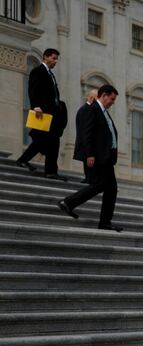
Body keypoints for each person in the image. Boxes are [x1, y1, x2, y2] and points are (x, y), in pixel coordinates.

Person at [57, 85, 121, 231]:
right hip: (98, 157)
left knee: (110, 189)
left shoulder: (104, 111)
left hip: (106, 157)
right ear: (103, 95)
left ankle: (105, 222)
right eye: (111, 99)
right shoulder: (92, 109)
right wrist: (89, 154)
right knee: (100, 185)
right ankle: (68, 202)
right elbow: (87, 134)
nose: (113, 102)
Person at [16, 48, 68, 180]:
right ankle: (49, 170)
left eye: (56, 59)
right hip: (43, 112)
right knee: (45, 141)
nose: (55, 61)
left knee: (50, 141)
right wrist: (36, 106)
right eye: (53, 58)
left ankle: (47, 169)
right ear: (45, 57)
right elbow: (33, 89)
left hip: (53, 114)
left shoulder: (50, 74)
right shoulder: (38, 71)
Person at [74, 88, 97, 183]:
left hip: (87, 147)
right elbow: (86, 132)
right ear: (91, 98)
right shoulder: (87, 110)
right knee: (90, 177)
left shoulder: (85, 109)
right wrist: (89, 153)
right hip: (87, 147)